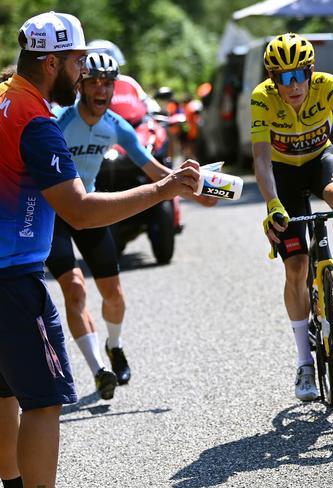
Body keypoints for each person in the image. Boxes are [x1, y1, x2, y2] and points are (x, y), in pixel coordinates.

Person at [0, 12, 201, 488]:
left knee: (5, 391)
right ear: (51, 62)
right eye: (76, 63)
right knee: (44, 401)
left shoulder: (4, 97)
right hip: (12, 280)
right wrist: (163, 190)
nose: (83, 72)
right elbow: (82, 210)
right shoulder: (38, 122)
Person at [46, 52, 213, 401]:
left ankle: (114, 346)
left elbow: (155, 172)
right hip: (54, 215)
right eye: (93, 82)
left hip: (89, 210)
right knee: (74, 289)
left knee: (115, 296)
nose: (101, 89)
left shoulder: (116, 126)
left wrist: (199, 190)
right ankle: (98, 371)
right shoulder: (60, 120)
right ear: (81, 86)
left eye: (108, 83)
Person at [252, 33, 333, 401]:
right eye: (282, 78)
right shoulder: (261, 98)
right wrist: (272, 203)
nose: (292, 86)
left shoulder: (328, 87)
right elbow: (259, 158)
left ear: (310, 72)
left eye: (298, 75)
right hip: (284, 174)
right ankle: (305, 362)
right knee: (297, 267)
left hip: (321, 160)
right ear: (272, 80)